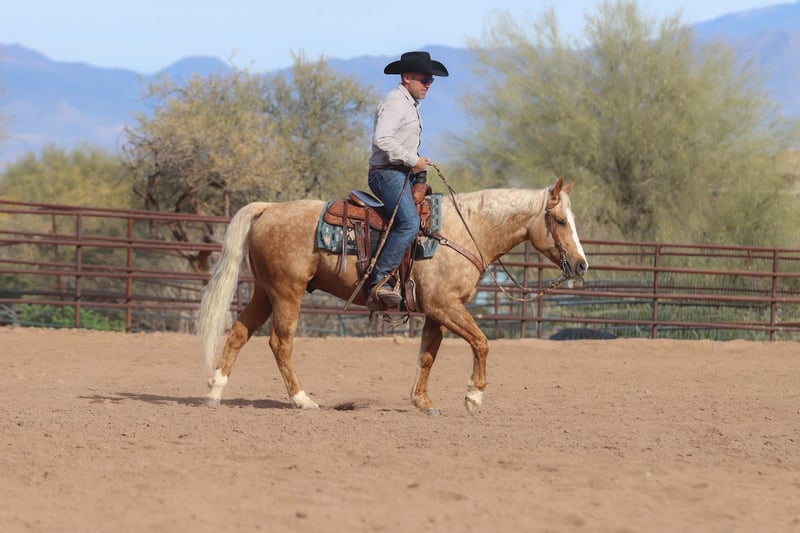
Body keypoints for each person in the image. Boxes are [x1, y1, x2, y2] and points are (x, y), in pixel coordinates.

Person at [366, 50, 449, 310]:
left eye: (430, 80)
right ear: (406, 78)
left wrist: (417, 167)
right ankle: (379, 281)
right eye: (424, 79)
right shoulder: (396, 102)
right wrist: (413, 160)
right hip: (386, 174)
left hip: (399, 173)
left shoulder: (409, 104)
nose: (428, 85)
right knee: (410, 223)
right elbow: (382, 139)